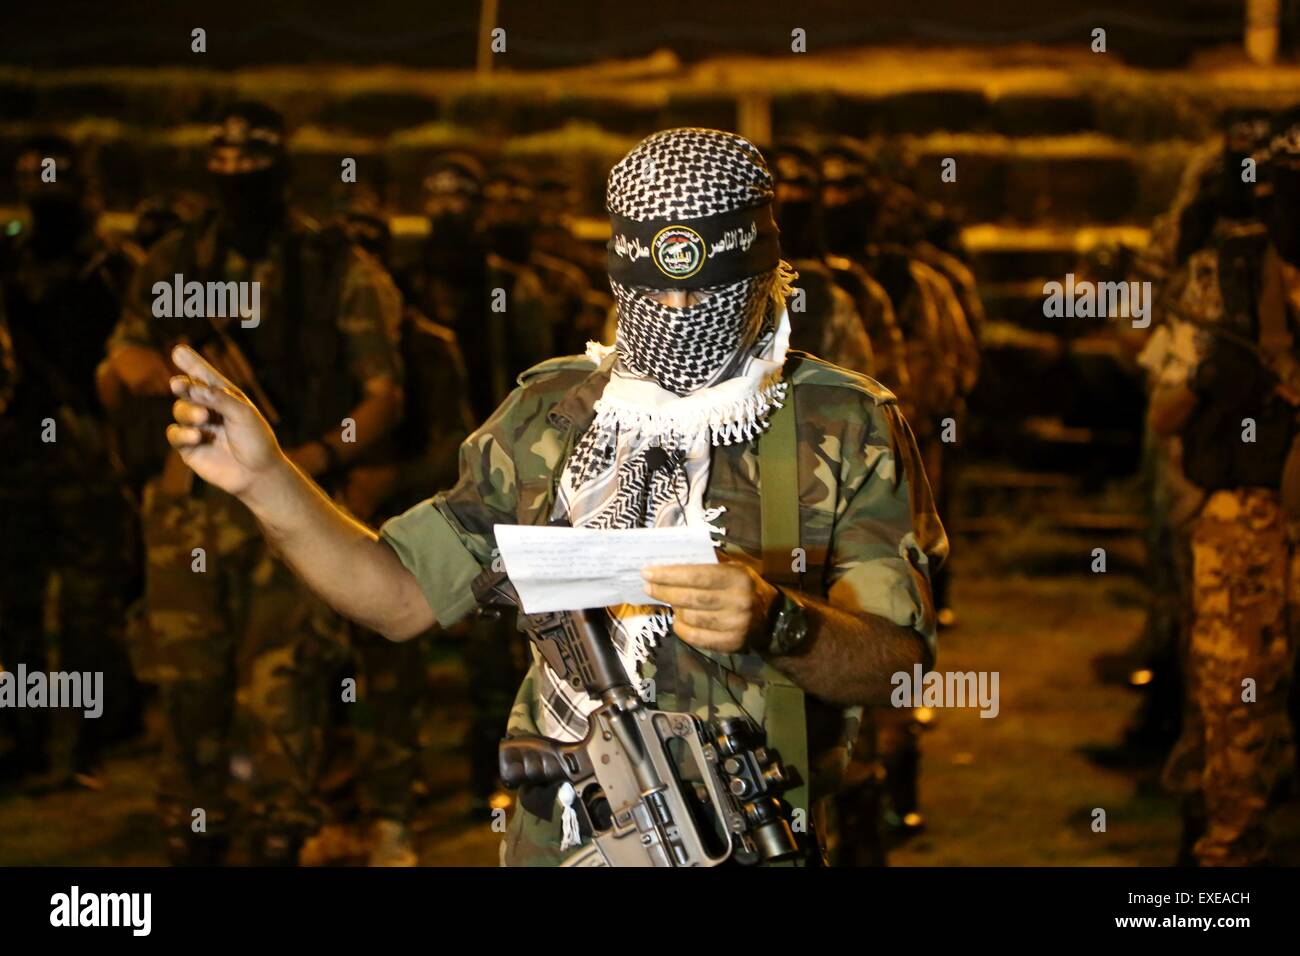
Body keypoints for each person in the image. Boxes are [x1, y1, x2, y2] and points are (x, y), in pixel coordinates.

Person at [162, 127, 946, 866]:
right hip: (566, 839)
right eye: (653, 298)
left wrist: (782, 622)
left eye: (703, 298)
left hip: (745, 840)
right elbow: (396, 597)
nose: (675, 319)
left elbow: (898, 668)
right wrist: (267, 480)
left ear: (766, 271)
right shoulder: (551, 413)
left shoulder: (843, 422)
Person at [101, 101, 404, 865]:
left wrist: (316, 460)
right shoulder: (175, 258)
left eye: (253, 159)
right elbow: (125, 359)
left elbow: (380, 393)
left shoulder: (332, 264)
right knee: (188, 681)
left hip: (288, 500)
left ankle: (279, 829)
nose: (235, 173)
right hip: (185, 507)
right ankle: (190, 829)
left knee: (286, 687)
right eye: (223, 159)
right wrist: (187, 375)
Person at [1150, 108, 1300, 866]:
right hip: (1247, 517)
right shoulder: (1228, 274)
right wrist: (1216, 377)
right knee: (1232, 707)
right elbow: (1164, 411)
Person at [0, 134, 140, 789]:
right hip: (20, 453)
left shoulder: (113, 269)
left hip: (89, 453)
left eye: (49, 178)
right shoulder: (12, 263)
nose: (39, 189)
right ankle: (27, 740)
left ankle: (86, 742)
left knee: (89, 610)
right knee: (17, 608)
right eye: (29, 177)